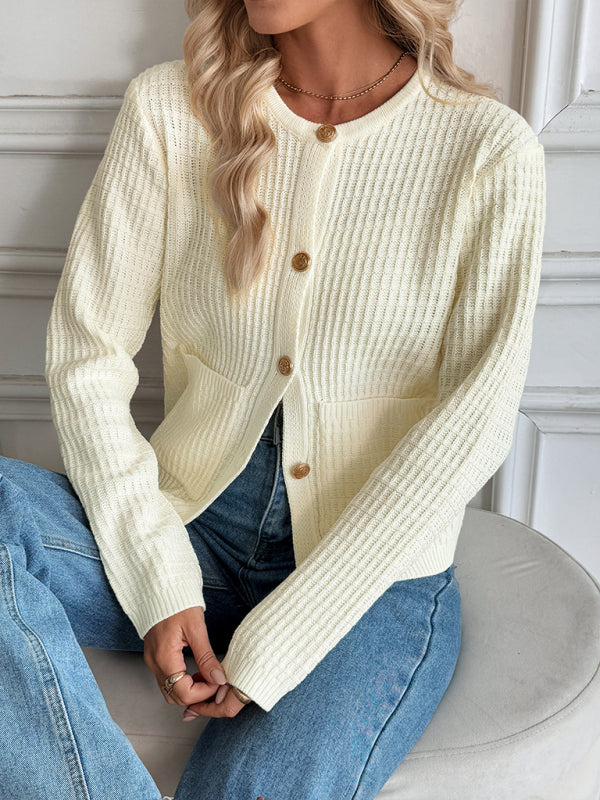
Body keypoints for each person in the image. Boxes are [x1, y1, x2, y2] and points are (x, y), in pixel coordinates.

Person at [0, 0, 546, 798]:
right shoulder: (171, 109)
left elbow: (473, 422)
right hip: (194, 529)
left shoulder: (486, 150)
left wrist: (283, 641)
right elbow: (87, 355)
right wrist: (159, 581)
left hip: (369, 586)